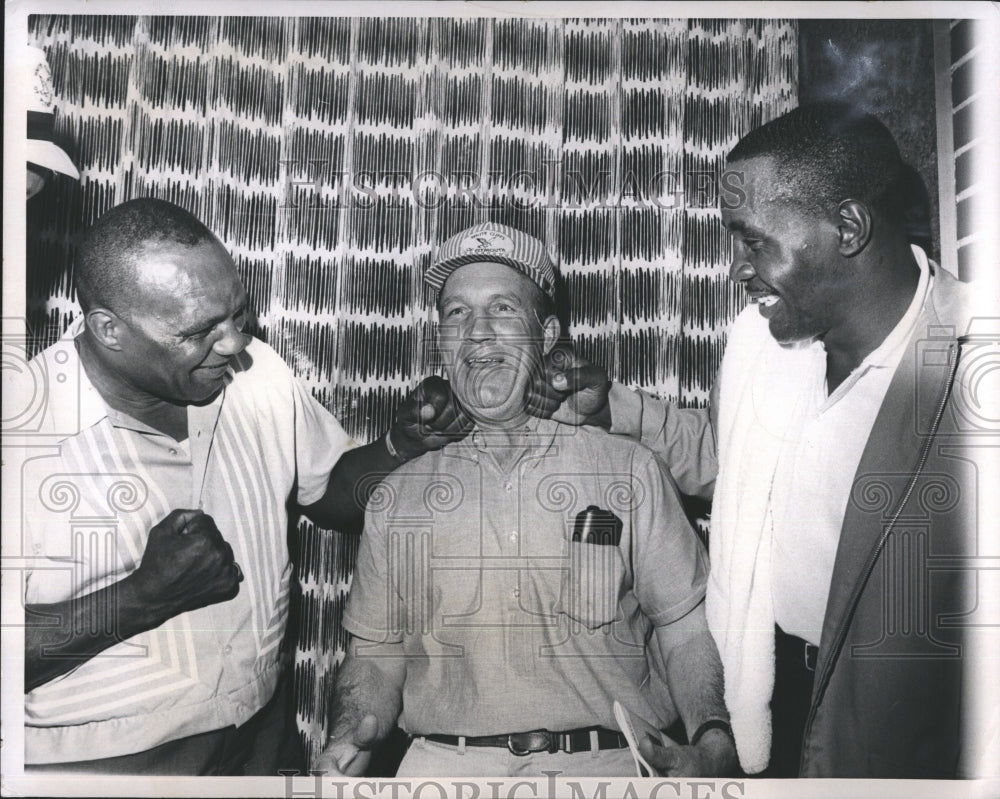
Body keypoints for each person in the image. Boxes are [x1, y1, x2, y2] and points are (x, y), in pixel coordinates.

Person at [533, 103, 986, 778]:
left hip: (902, 734)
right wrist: (615, 409)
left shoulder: (976, 361)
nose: (738, 270)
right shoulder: (764, 337)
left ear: (850, 227)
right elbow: (740, 470)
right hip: (770, 700)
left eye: (753, 241)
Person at [18, 198, 469, 774]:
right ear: (109, 329)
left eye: (237, 314)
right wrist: (142, 597)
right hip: (106, 762)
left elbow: (330, 497)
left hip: (259, 733)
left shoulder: (258, 375)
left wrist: (401, 447)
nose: (234, 344)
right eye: (200, 330)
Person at [314, 222, 738, 779]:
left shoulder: (629, 468)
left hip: (609, 767)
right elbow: (374, 657)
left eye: (503, 310)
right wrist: (348, 739)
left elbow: (684, 632)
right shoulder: (396, 496)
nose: (478, 334)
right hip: (443, 772)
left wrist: (712, 743)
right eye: (457, 314)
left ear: (548, 333)